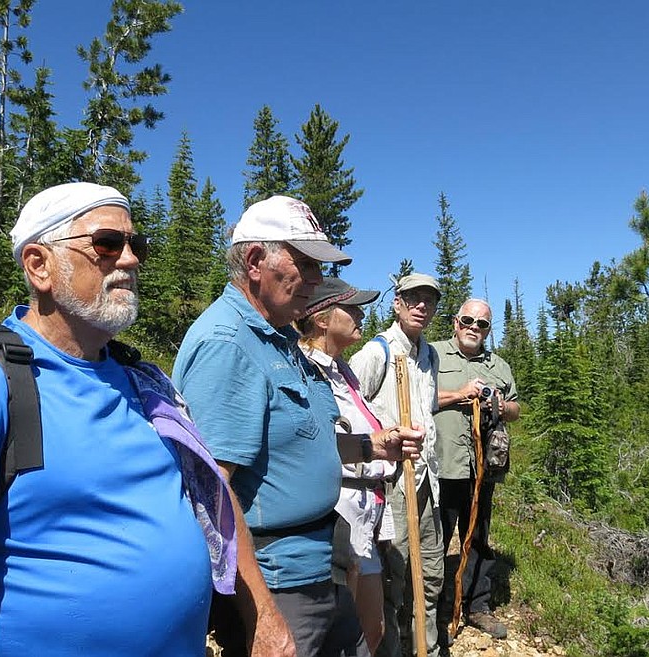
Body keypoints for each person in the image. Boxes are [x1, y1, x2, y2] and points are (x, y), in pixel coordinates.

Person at [0, 182, 236, 657]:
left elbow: (210, 495)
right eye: (107, 244)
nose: (130, 260)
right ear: (39, 265)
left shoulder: (141, 381)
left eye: (137, 245)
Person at [172, 195, 423, 657]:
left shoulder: (282, 337)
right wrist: (263, 615)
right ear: (254, 261)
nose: (316, 281)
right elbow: (211, 491)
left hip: (320, 566)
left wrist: (370, 446)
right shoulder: (228, 345)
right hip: (276, 584)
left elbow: (300, 441)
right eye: (305, 265)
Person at [296, 277, 395, 655]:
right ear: (322, 319)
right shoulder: (306, 369)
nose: (361, 315)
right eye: (350, 307)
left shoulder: (341, 369)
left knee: (373, 628)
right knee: (343, 635)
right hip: (340, 510)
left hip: (365, 509)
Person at [349, 273, 445, 657]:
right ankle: (393, 649)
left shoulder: (430, 355)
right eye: (413, 298)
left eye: (429, 300)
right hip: (391, 483)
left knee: (432, 575)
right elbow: (348, 406)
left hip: (426, 482)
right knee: (394, 577)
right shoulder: (379, 351)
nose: (421, 306)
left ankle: (427, 647)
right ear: (397, 303)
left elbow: (431, 408)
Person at [434, 299, 520, 640]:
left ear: (488, 329)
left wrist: (500, 404)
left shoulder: (498, 365)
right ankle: (437, 609)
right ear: (456, 322)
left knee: (479, 538)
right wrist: (460, 393)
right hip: (442, 464)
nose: (474, 327)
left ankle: (476, 605)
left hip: (482, 468)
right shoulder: (434, 355)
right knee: (436, 540)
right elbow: (418, 395)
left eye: (482, 324)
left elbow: (515, 409)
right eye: (468, 320)